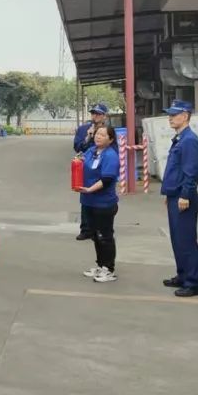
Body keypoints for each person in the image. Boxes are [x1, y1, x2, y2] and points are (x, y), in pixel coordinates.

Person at [160, 99, 198, 297]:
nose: (170, 118)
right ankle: (183, 274)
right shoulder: (180, 138)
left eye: (174, 115)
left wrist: (185, 194)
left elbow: (191, 171)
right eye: (169, 115)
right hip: (175, 194)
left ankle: (193, 282)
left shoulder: (189, 140)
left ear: (185, 116)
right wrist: (169, 193)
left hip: (183, 195)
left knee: (186, 240)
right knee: (177, 239)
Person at [77, 125, 121, 283]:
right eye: (97, 134)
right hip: (88, 201)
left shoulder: (110, 155)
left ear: (110, 139)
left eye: (103, 135)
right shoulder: (91, 151)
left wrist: (90, 189)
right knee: (95, 235)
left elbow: (107, 179)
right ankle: (100, 265)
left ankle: (109, 269)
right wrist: (78, 161)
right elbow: (81, 158)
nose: (98, 136)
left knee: (105, 236)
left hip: (103, 203)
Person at [73, 104, 109, 241]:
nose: (95, 116)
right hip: (87, 168)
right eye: (93, 113)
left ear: (104, 116)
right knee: (86, 197)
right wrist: (88, 137)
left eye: (98, 114)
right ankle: (86, 229)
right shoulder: (83, 129)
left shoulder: (109, 131)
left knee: (101, 197)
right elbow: (77, 147)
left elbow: (113, 147)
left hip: (102, 167)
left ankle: (99, 230)